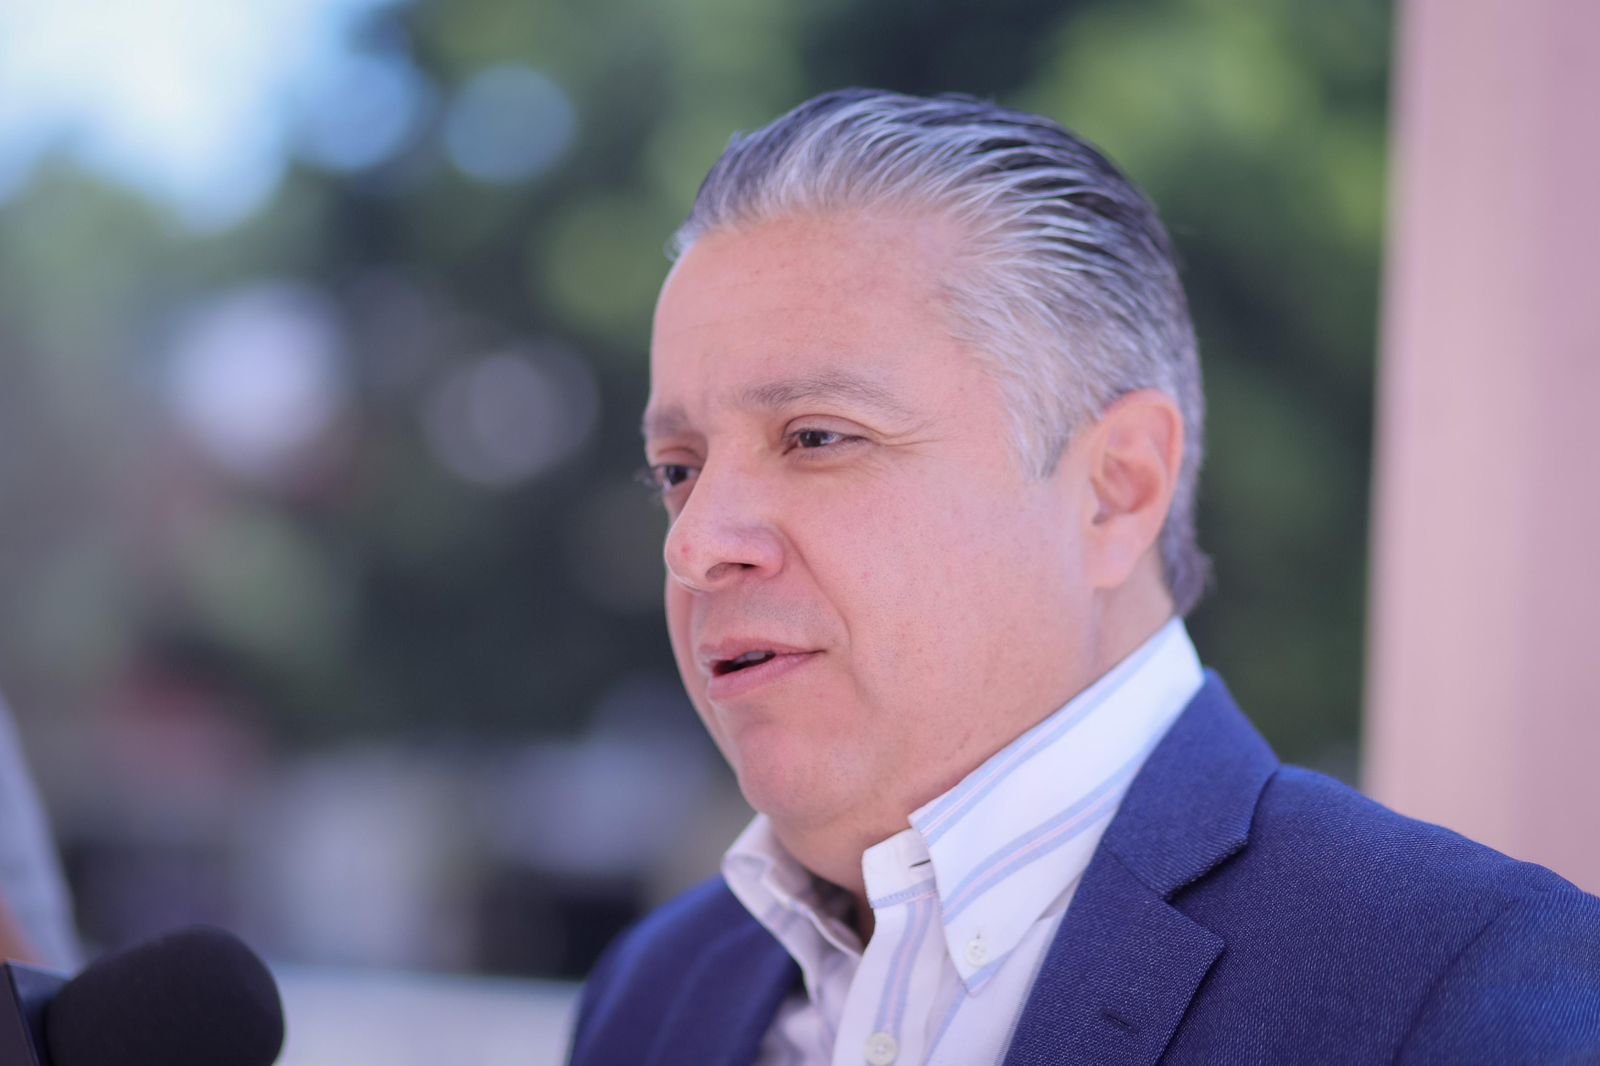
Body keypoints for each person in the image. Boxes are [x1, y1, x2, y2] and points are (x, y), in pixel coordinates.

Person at [569, 90, 1600, 1065]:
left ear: (1116, 488)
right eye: (677, 469)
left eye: (816, 437)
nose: (693, 544)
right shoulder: (653, 992)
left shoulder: (1462, 983)